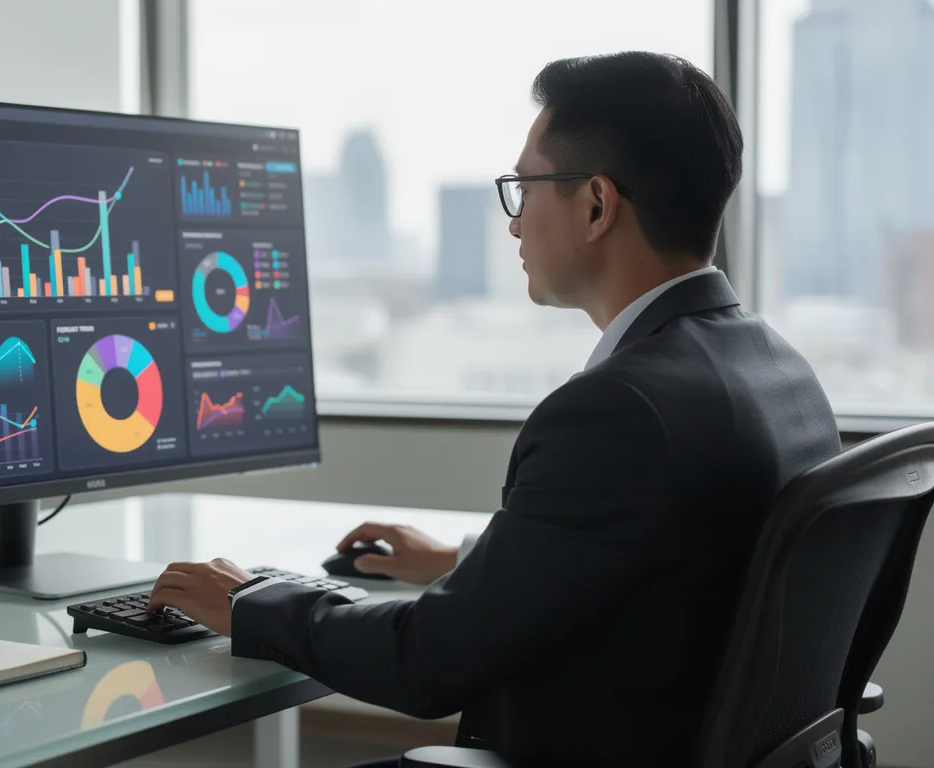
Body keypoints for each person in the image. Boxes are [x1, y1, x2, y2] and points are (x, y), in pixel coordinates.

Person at [145, 51, 840, 768]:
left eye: (524, 189)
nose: (513, 225)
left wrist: (252, 603)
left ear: (597, 204)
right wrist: (468, 562)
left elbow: (426, 663)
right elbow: (670, 564)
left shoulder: (618, 411)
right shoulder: (781, 373)